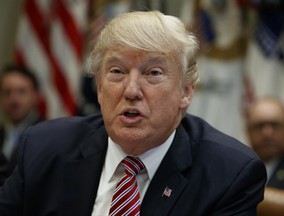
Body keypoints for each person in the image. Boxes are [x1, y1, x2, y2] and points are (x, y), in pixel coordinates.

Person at [0, 11, 266, 216]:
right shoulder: (43, 148)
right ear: (100, 87)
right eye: (117, 71)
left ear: (185, 92)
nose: (131, 90)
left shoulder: (229, 175)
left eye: (153, 73)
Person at [0, 65, 43, 186]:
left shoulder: (47, 136)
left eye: (21, 91)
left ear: (35, 96)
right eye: (7, 92)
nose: (14, 99)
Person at [245, 97, 284, 190]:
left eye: (275, 125)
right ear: (248, 132)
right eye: (259, 126)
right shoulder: (235, 168)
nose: (267, 133)